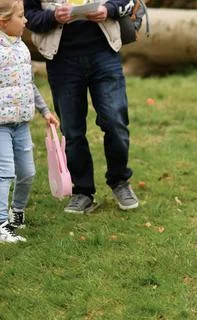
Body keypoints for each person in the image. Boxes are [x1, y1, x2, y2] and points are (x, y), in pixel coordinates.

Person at [24, 0, 139, 213]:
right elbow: (28, 16)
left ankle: (119, 181)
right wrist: (53, 17)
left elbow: (129, 1)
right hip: (61, 60)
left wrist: (109, 10)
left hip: (104, 54)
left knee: (115, 121)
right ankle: (83, 191)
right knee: (72, 130)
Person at [0, 0, 59, 243]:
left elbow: (29, 85)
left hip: (21, 123)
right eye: (21, 16)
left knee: (27, 172)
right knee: (5, 173)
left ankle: (17, 213)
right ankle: (1, 223)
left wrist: (45, 111)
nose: (26, 21)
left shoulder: (23, 48)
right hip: (1, 126)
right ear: (3, 22)